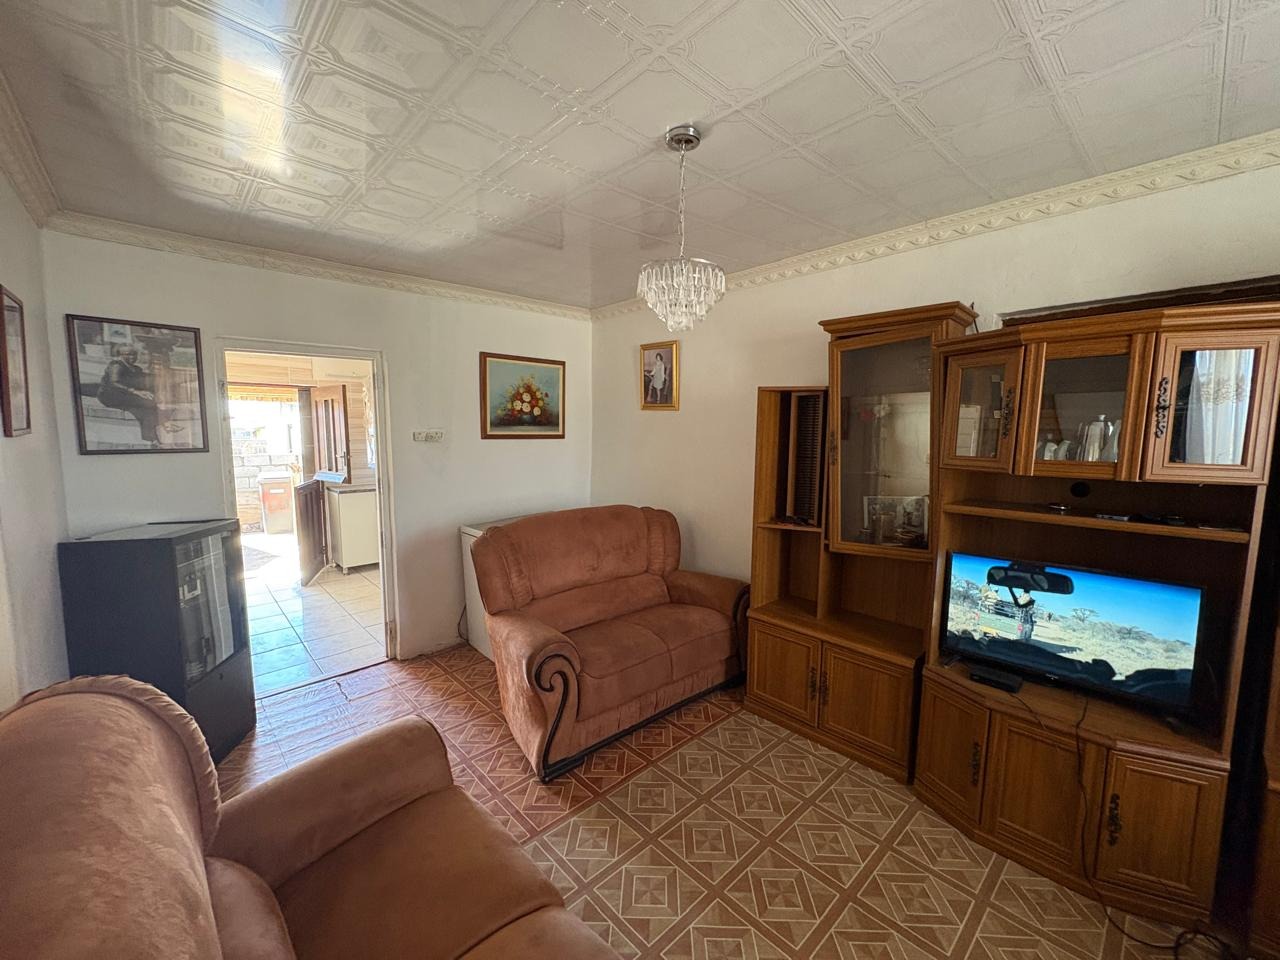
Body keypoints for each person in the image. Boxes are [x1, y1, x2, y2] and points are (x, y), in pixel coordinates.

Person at [96, 344, 173, 445]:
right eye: (128, 354)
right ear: (120, 355)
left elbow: (142, 383)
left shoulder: (136, 369)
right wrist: (135, 392)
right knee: (148, 404)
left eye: (134, 354)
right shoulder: (116, 366)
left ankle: (152, 439)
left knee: (143, 409)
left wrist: (156, 390)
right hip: (110, 395)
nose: (132, 357)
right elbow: (114, 383)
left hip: (125, 394)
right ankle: (159, 430)